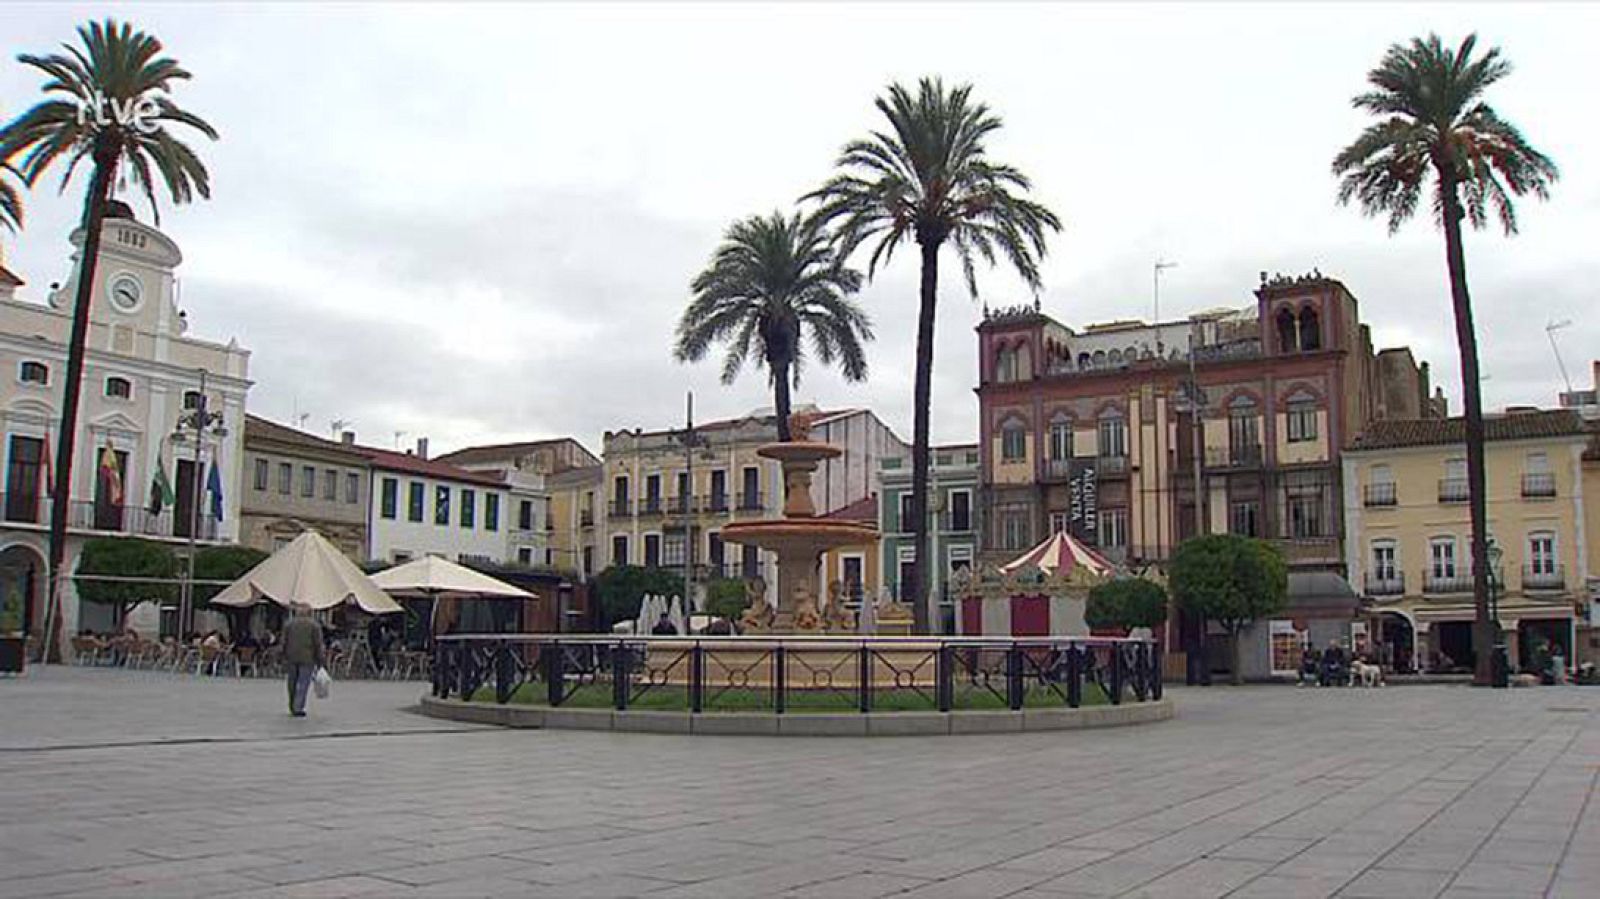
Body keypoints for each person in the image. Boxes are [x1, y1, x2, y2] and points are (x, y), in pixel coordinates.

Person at [282, 603, 326, 717]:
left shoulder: (289, 624)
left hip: (291, 657)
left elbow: (283, 642)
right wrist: (321, 660)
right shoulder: (314, 626)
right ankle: (298, 707)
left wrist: (282, 656)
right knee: (303, 683)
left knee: (291, 683)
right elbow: (318, 644)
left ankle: (292, 705)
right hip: (308, 658)